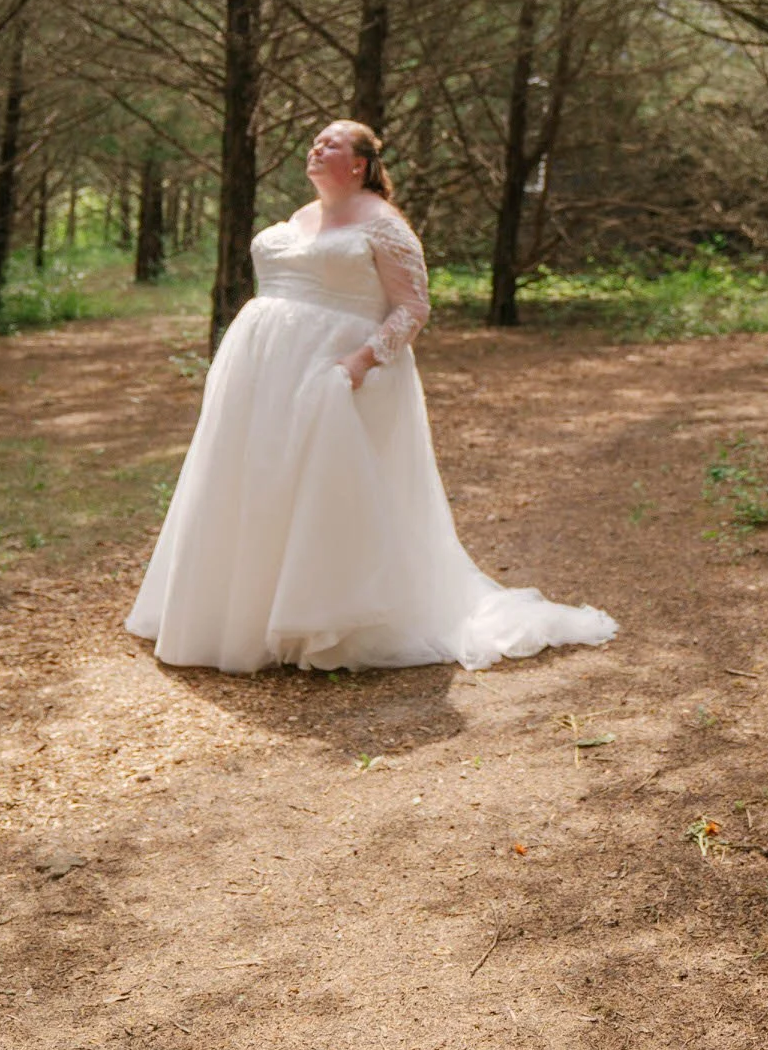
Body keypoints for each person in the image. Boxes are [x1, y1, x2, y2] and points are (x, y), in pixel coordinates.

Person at [126, 120, 618, 674]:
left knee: (321, 488)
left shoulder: (384, 224)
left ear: (359, 164)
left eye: (331, 144)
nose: (317, 148)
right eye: (315, 141)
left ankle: (319, 621)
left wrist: (359, 363)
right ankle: (239, 613)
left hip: (333, 374)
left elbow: (413, 307)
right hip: (264, 371)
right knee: (259, 478)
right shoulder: (302, 217)